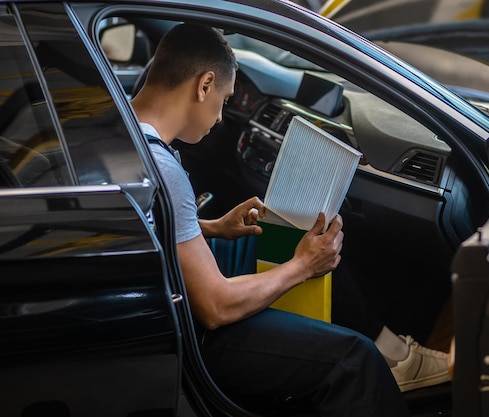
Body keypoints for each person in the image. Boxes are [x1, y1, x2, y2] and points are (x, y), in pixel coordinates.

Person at [130, 22, 446, 416]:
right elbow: (215, 307)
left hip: (160, 298)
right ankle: (381, 358)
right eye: (225, 100)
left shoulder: (122, 128)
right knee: (354, 360)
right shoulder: (164, 167)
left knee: (286, 236)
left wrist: (210, 227)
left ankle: (396, 355)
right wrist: (301, 266)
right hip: (192, 334)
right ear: (204, 85)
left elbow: (145, 227)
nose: (221, 117)